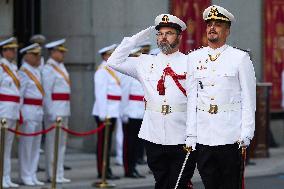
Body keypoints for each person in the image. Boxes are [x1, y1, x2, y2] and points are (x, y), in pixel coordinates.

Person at [107, 14, 196, 189]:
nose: (163, 37)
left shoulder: (190, 62)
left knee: (179, 183)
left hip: (181, 133)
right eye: (160, 34)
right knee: (161, 182)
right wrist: (134, 39)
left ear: (179, 36)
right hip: (153, 133)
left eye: (169, 33)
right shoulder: (145, 62)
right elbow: (113, 61)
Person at [185, 5, 256, 189]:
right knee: (210, 184)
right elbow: (192, 98)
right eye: (209, 24)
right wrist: (191, 134)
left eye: (218, 24)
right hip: (204, 135)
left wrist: (246, 133)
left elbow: (249, 99)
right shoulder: (194, 58)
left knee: (230, 185)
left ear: (227, 31)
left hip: (230, 136)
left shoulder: (240, 58)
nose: (212, 28)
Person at [42, 39, 71, 183]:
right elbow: (47, 93)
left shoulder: (61, 67)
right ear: (53, 52)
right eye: (60, 52)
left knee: (61, 145)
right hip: (55, 112)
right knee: (52, 144)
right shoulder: (48, 69)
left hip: (64, 110)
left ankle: (59, 173)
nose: (63, 54)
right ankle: (51, 174)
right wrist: (51, 112)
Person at [92, 44, 121, 180]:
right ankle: (102, 171)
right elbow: (100, 94)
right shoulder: (102, 71)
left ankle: (106, 169)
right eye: (110, 54)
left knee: (108, 144)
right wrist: (104, 114)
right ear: (104, 56)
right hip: (105, 112)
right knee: (103, 143)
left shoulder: (112, 69)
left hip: (113, 111)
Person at [18, 43, 45, 186]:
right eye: (35, 55)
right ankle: (25, 174)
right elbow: (20, 95)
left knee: (35, 145)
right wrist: (19, 113)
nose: (38, 57)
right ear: (27, 56)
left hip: (38, 110)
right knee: (26, 145)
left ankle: (32, 173)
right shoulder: (23, 72)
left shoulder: (36, 71)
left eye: (39, 55)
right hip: (28, 110)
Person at [120, 47, 145, 178]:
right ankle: (128, 169)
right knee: (129, 143)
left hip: (140, 112)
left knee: (136, 143)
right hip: (130, 112)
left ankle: (133, 166)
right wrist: (124, 113)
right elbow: (124, 95)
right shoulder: (127, 74)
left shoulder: (140, 73)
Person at [0, 37, 20, 188]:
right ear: (4, 51)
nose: (14, 52)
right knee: (1, 147)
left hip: (12, 110)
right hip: (3, 111)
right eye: (11, 50)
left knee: (7, 147)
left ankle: (6, 177)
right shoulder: (1, 67)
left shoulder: (13, 67)